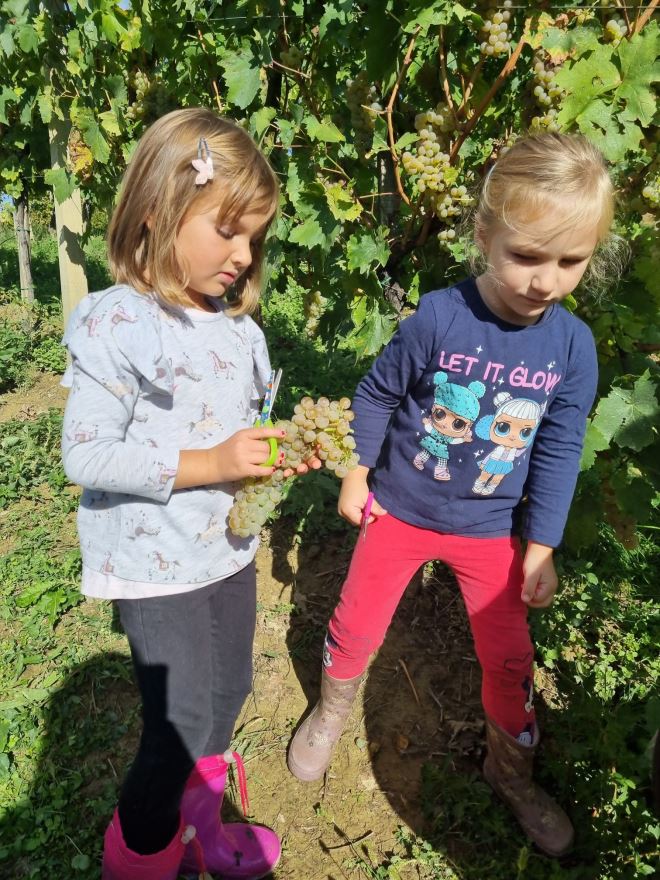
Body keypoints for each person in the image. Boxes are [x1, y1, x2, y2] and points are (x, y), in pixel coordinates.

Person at [288, 132, 622, 858]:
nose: (546, 281)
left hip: (491, 531)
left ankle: (511, 773)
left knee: (510, 657)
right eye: (526, 256)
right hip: (401, 510)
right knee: (357, 622)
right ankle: (331, 710)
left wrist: (541, 547)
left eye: (571, 261)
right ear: (483, 235)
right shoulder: (440, 317)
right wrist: (357, 470)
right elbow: (378, 395)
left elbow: (559, 450)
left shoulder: (571, 349)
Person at [61, 108, 319, 880]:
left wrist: (270, 455)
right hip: (155, 563)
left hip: (223, 549)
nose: (244, 255)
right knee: (178, 725)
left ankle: (200, 829)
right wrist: (212, 461)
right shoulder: (118, 321)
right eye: (229, 231)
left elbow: (241, 431)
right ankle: (140, 860)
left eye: (254, 240)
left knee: (229, 691)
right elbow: (86, 453)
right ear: (158, 210)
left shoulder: (241, 332)